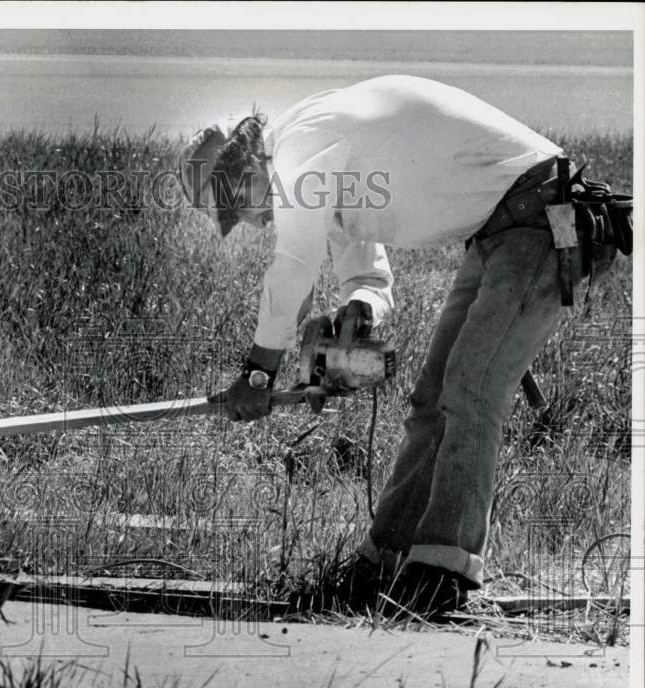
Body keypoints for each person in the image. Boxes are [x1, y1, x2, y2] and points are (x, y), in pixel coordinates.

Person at [179, 75, 629, 616]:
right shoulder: (325, 163)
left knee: (471, 390)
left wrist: (257, 374)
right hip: (500, 231)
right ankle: (386, 559)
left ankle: (443, 572)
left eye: (238, 206)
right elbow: (367, 278)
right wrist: (357, 317)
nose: (251, 222)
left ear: (246, 164)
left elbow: (295, 264)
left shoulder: (302, 144)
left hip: (543, 217)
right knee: (432, 398)